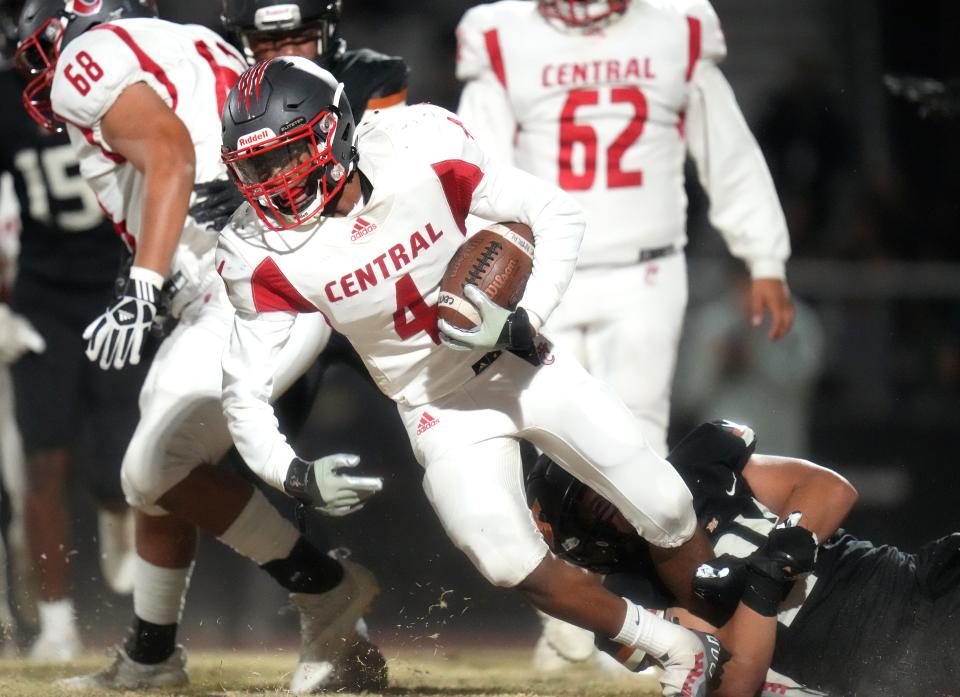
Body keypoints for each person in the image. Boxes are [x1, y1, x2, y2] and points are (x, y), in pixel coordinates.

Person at [216, 56, 727, 697]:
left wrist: (525, 318)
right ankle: (678, 650)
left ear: (334, 130)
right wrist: (289, 472)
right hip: (435, 405)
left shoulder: (417, 142)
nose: (272, 183)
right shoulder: (254, 251)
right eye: (256, 168)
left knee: (669, 507)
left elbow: (555, 213)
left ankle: (743, 659)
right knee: (506, 559)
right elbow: (244, 390)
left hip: (521, 366)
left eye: (285, 157)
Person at [14, 1, 384, 691]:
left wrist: (143, 282)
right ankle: (152, 657)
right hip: (250, 267)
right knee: (161, 463)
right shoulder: (188, 41)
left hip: (244, 279)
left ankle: (327, 590)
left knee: (150, 468)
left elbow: (172, 156)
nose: (32, 57)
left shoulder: (85, 59)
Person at [454, 0, 796, 669]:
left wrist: (765, 255)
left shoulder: (678, 25)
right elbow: (474, 165)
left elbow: (726, 149)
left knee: (635, 446)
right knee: (537, 452)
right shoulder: (501, 34)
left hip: (645, 269)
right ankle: (569, 616)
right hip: (543, 267)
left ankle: (635, 620)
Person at [528, 419, 960, 696]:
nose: (620, 491)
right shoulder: (633, 595)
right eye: (603, 500)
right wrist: (765, 581)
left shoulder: (700, 464)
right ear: (590, 536)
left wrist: (781, 548)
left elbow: (828, 488)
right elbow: (734, 682)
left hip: (917, 581)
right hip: (880, 666)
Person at [0, 0, 146, 659]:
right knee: (43, 458)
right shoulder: (8, 102)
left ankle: (119, 509)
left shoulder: (124, 84)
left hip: (118, 287)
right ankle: (57, 622)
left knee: (121, 463)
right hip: (43, 296)